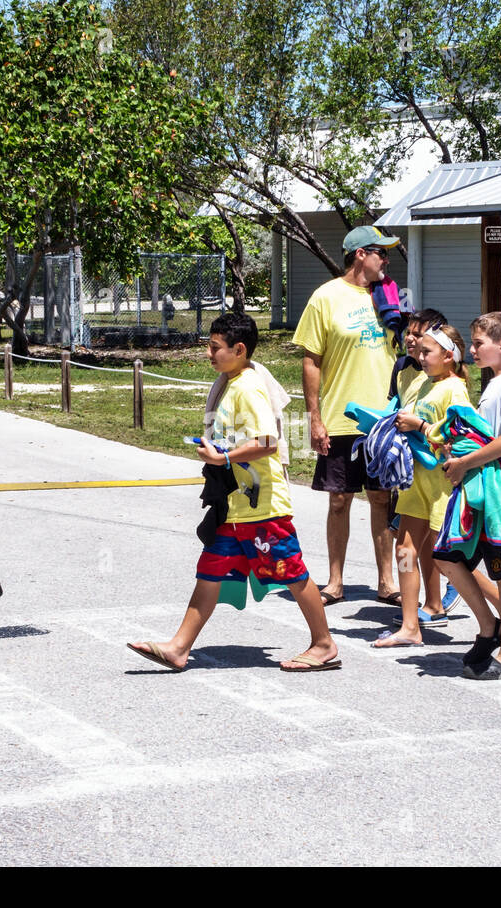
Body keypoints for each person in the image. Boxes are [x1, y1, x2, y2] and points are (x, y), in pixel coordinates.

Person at [127, 313, 340, 672]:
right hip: (235, 506)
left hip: (263, 508)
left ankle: (324, 643)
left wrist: (223, 457)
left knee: (291, 572)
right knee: (210, 570)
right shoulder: (231, 382)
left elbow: (267, 441)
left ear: (238, 349)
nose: (208, 354)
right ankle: (179, 647)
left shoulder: (247, 386)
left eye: (215, 348)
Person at [294, 225, 403, 607]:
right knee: (339, 500)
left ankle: (387, 581)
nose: (386, 260)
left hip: (384, 418)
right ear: (360, 254)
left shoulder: (390, 298)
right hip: (342, 417)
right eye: (381, 252)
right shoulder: (325, 297)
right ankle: (335, 582)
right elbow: (311, 359)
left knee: (381, 497)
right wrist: (315, 417)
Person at [435, 312, 501, 679]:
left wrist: (464, 464)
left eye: (479, 344)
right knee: (446, 556)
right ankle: (488, 627)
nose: (473, 350)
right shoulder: (494, 383)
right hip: (481, 491)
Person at [373, 324, 471, 647]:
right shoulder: (427, 383)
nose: (421, 356)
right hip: (416, 483)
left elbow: (462, 440)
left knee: (449, 561)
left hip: (443, 486)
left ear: (449, 356)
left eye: (428, 352)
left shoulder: (455, 390)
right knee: (404, 551)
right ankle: (410, 625)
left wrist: (421, 425)